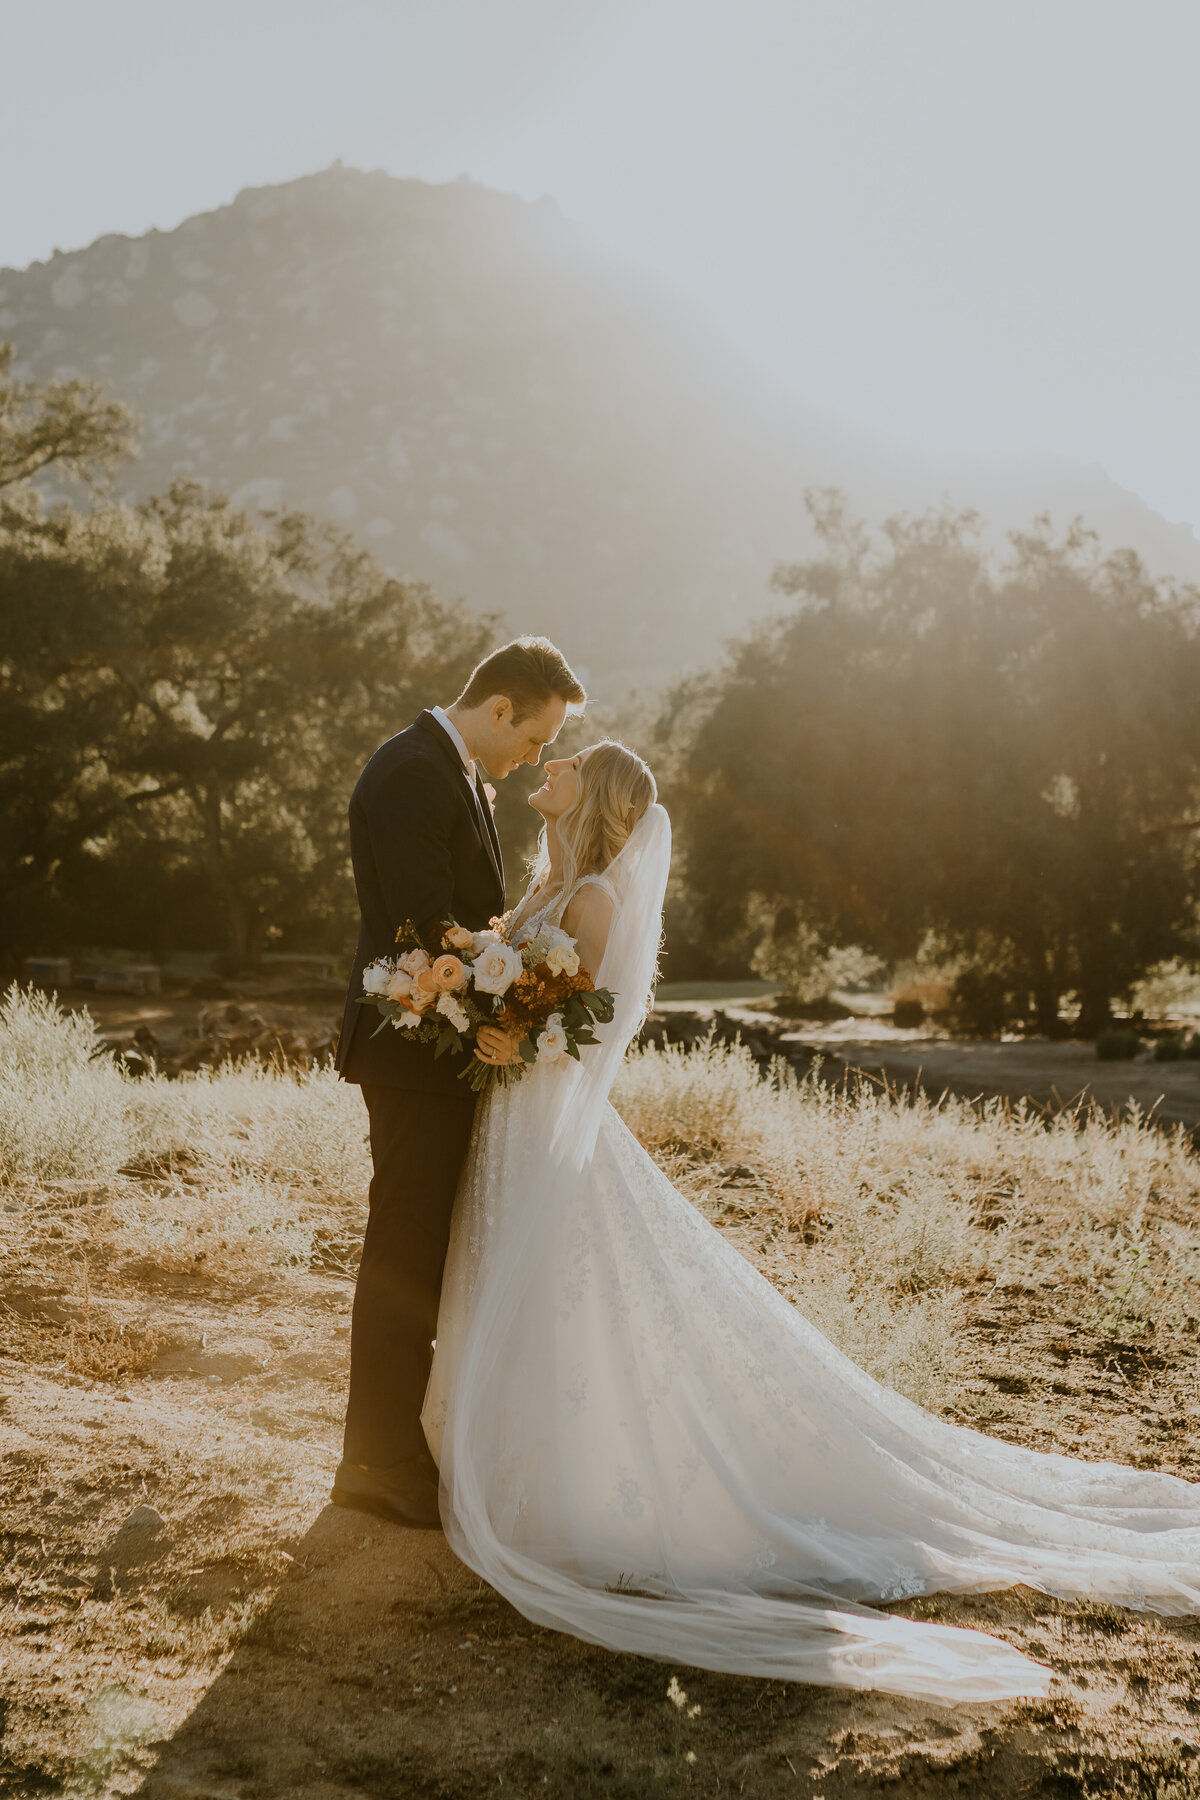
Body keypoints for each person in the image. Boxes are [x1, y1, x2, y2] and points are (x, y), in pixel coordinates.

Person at [422, 740, 1200, 1703]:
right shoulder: (549, 883)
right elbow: (533, 993)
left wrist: (511, 1034)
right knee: (526, 1279)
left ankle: (559, 1482)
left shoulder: (593, 902)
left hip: (540, 1114)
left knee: (566, 1280)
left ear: (601, 796)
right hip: (509, 1115)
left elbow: (578, 1029)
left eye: (571, 759)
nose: (555, 763)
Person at [332, 636, 586, 1528]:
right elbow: (422, 925)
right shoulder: (412, 771)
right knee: (404, 1249)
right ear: (501, 708)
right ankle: (375, 1458)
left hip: (433, 1050)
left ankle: (397, 1444)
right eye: (536, 737)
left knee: (424, 1246)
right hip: (409, 1048)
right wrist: (515, 982)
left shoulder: (456, 770)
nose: (535, 760)